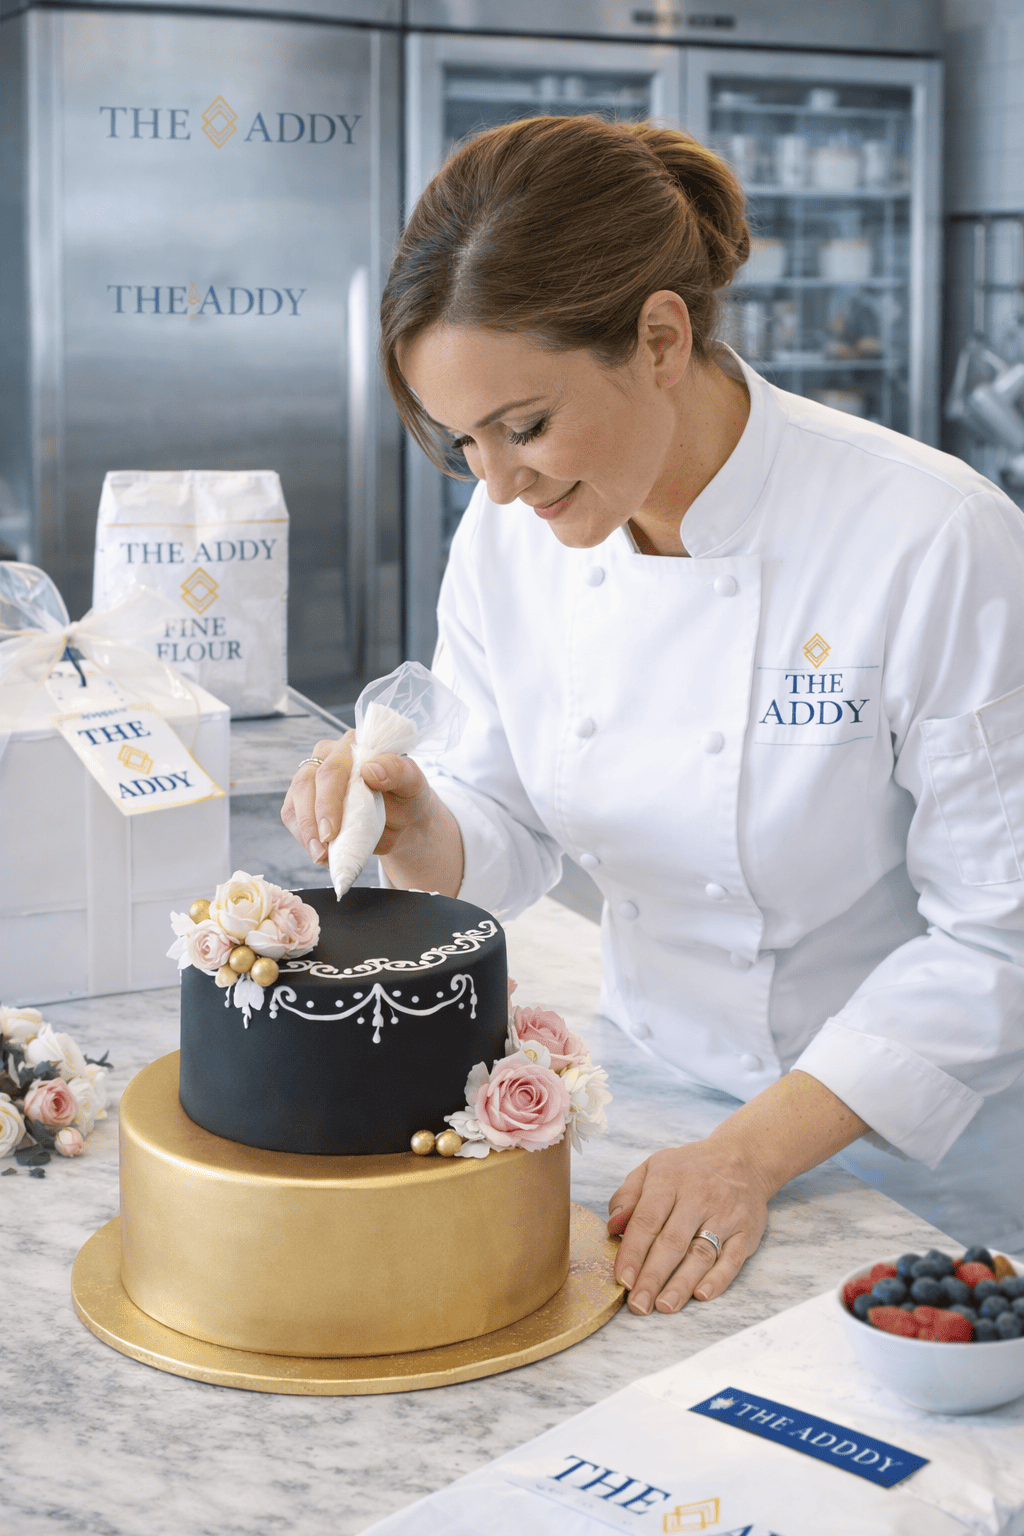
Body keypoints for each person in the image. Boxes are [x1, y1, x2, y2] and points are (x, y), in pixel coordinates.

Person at [282, 115, 1024, 1316]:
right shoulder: (511, 533)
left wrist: (750, 1155)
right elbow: (508, 817)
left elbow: (999, 936)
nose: (498, 485)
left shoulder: (933, 538)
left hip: (910, 1159)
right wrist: (423, 822)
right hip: (659, 1112)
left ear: (661, 338)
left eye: (526, 426)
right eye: (462, 441)